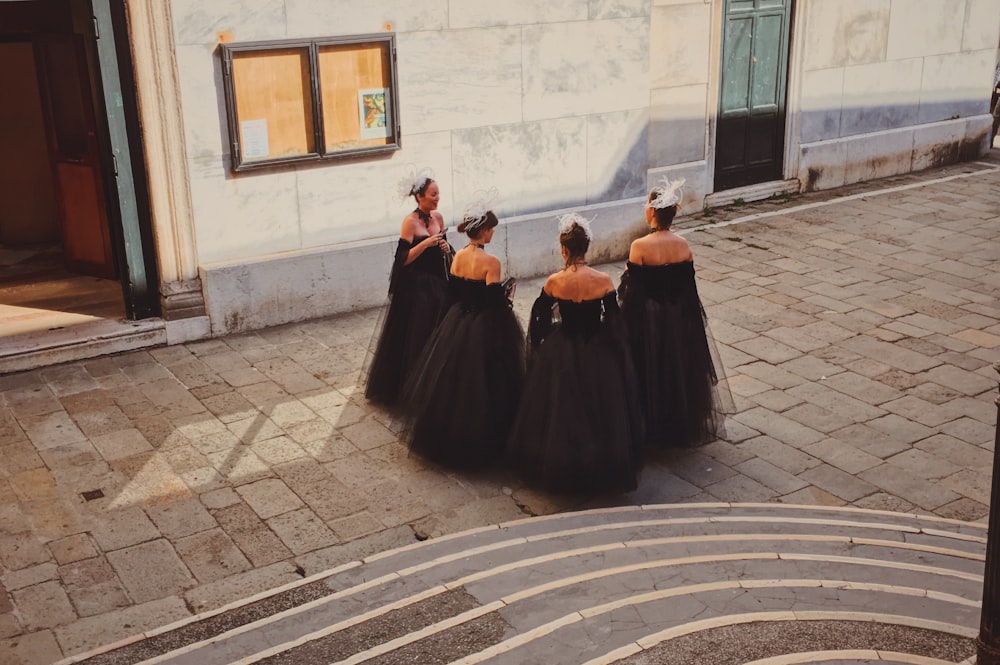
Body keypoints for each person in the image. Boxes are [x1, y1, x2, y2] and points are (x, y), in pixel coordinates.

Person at [506, 213, 642, 493]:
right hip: (598, 349)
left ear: (564, 249)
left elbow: (539, 315)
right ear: (587, 247)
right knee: (600, 409)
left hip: (563, 347)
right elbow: (615, 320)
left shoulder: (555, 281)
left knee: (561, 410)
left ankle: (566, 464)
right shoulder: (603, 279)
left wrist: (544, 342)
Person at [400, 193, 525, 469]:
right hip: (484, 324)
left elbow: (453, 294)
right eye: (491, 228)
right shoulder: (490, 262)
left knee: (454, 382)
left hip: (458, 321)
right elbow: (494, 302)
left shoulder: (457, 259)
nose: (493, 232)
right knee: (490, 383)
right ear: (482, 230)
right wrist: (507, 296)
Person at [618, 177, 732, 449]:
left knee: (649, 370)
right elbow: (688, 288)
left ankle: (650, 425)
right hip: (679, 316)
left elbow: (630, 292)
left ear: (653, 212)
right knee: (677, 371)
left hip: (649, 318)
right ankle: (677, 424)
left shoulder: (640, 246)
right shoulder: (683, 245)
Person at [364, 168, 454, 412]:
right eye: (433, 194)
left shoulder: (439, 218)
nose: (437, 198)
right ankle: (412, 389)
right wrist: (425, 243)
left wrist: (445, 248)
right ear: (420, 197)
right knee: (418, 334)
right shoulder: (410, 222)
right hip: (418, 288)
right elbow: (402, 259)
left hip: (438, 283)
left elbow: (443, 248)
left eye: (438, 194)